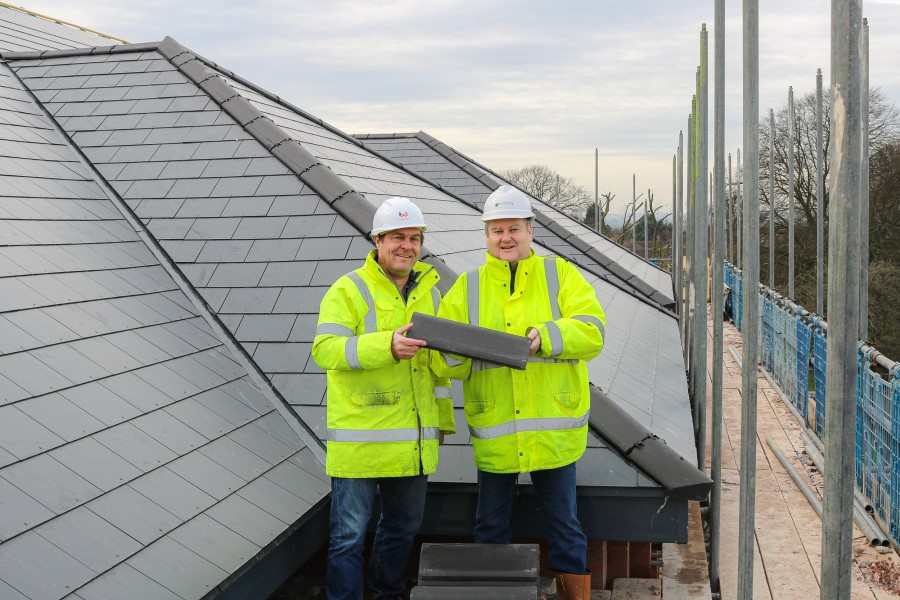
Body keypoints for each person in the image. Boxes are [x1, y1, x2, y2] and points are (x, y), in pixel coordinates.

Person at [433, 185, 605, 600]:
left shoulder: (560, 274)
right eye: (496, 230)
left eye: (513, 228)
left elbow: (593, 332)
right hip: (498, 430)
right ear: (485, 236)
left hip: (554, 435)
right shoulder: (468, 287)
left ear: (531, 230)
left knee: (565, 525)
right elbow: (442, 359)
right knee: (490, 526)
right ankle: (494, 594)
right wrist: (453, 352)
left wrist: (544, 337)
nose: (505, 237)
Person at [312, 197, 455, 600]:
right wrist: (385, 346)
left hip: (412, 441)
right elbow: (325, 349)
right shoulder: (348, 289)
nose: (406, 246)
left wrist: (442, 421)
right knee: (348, 537)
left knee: (401, 530)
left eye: (414, 238)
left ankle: (387, 593)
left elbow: (434, 370)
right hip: (361, 441)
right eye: (397, 237)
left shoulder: (430, 291)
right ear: (377, 240)